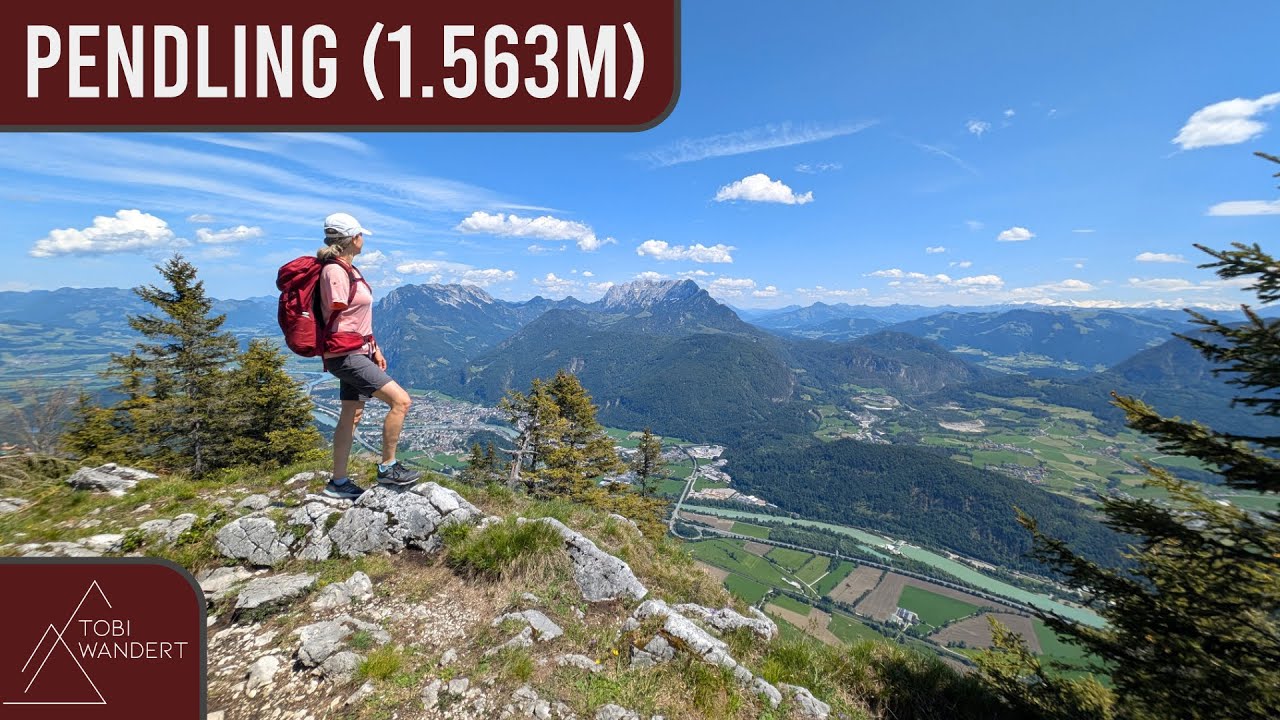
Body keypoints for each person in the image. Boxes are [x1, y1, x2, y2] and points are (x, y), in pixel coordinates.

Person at [315, 212, 421, 499]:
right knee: (401, 401)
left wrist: (374, 348)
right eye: (360, 235)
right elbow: (336, 315)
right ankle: (388, 468)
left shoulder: (350, 270)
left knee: (351, 415)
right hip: (346, 354)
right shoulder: (335, 271)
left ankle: (338, 483)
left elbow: (354, 318)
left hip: (357, 351)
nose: (363, 240)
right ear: (352, 239)